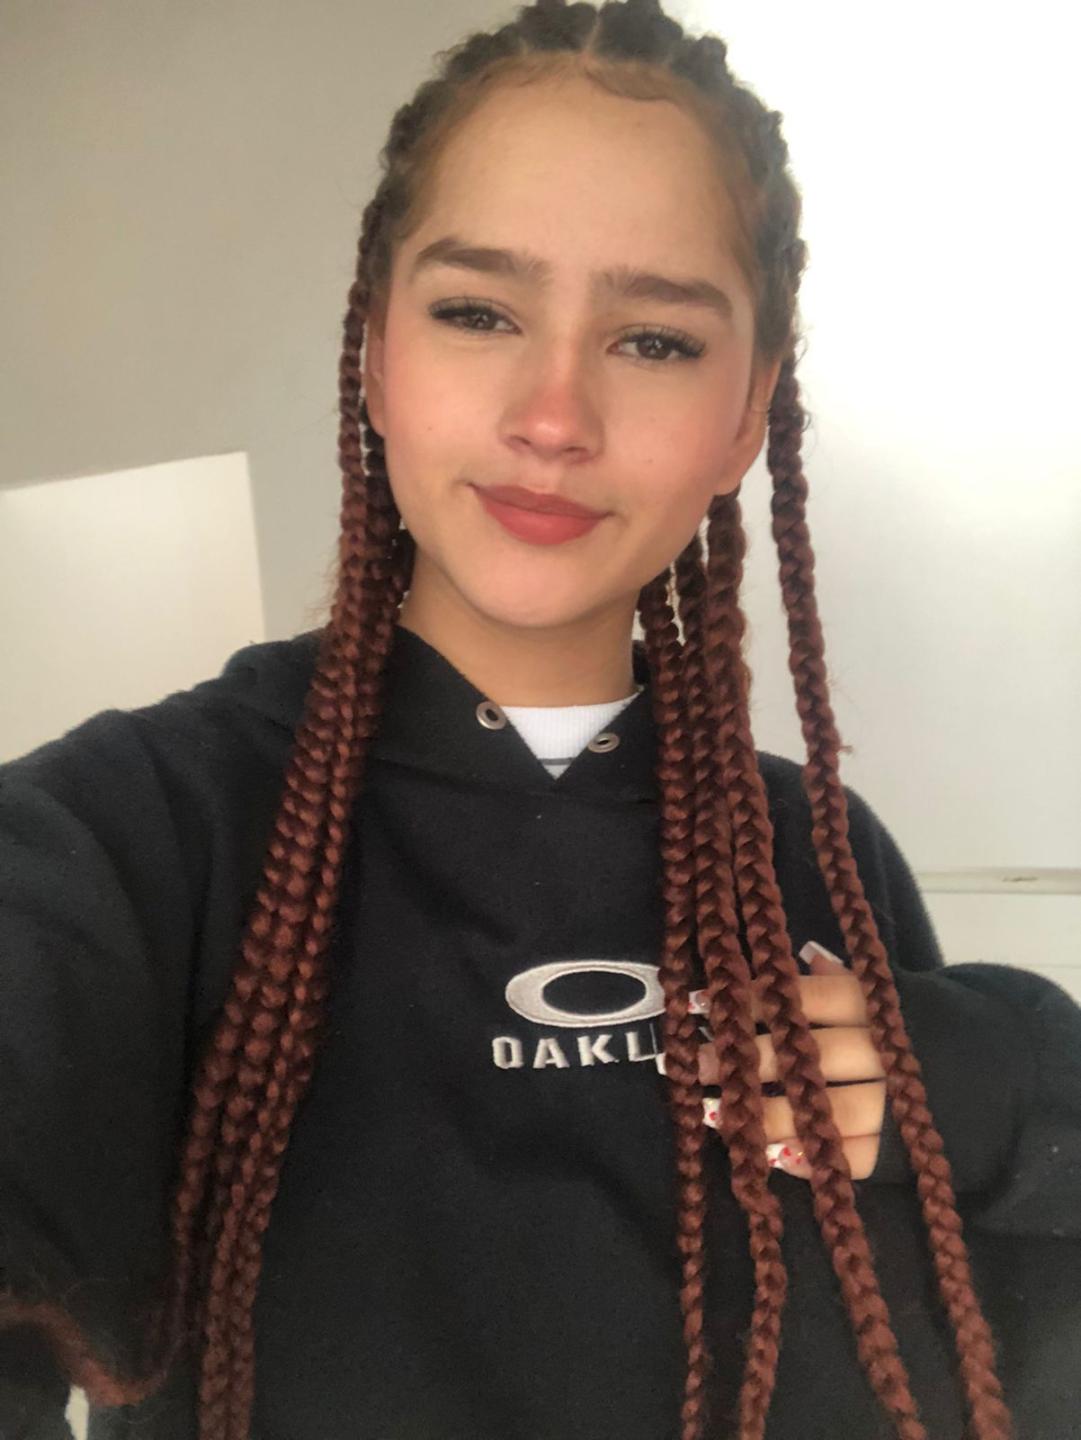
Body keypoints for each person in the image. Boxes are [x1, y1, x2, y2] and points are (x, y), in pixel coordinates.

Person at [1, 1, 1079, 1437]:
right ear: (374, 350)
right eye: (478, 313)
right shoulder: (126, 840)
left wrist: (1019, 1087)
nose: (553, 413)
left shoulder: (816, 855)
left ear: (748, 413)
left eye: (654, 339)